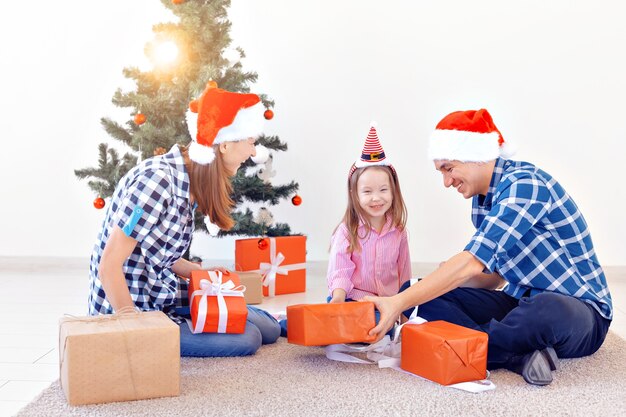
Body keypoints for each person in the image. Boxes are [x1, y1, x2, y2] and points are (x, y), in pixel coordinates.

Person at [365, 109, 612, 386]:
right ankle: (514, 357)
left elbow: (473, 260)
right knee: (416, 294)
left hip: (580, 313)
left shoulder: (525, 184)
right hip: (519, 301)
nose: (446, 182)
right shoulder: (482, 201)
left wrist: (399, 303)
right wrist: (441, 283)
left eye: (449, 168)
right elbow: (495, 277)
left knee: (546, 307)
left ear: (476, 156)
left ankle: (458, 347)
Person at [88, 83, 281, 357]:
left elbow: (158, 253)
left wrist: (201, 274)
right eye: (250, 142)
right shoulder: (156, 182)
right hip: (138, 306)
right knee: (248, 338)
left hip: (162, 288)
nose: (253, 152)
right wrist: (132, 325)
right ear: (225, 145)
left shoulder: (187, 178)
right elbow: (109, 265)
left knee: (269, 328)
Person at [279, 123, 411, 337]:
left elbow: (404, 274)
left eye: (383, 190)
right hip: (350, 297)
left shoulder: (398, 231)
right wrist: (338, 301)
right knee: (352, 326)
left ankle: (343, 327)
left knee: (385, 330)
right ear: (354, 193)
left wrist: (404, 314)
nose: (376, 198)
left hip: (384, 303)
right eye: (367, 191)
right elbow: (340, 271)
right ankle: (288, 324)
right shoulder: (347, 230)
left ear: (394, 191)